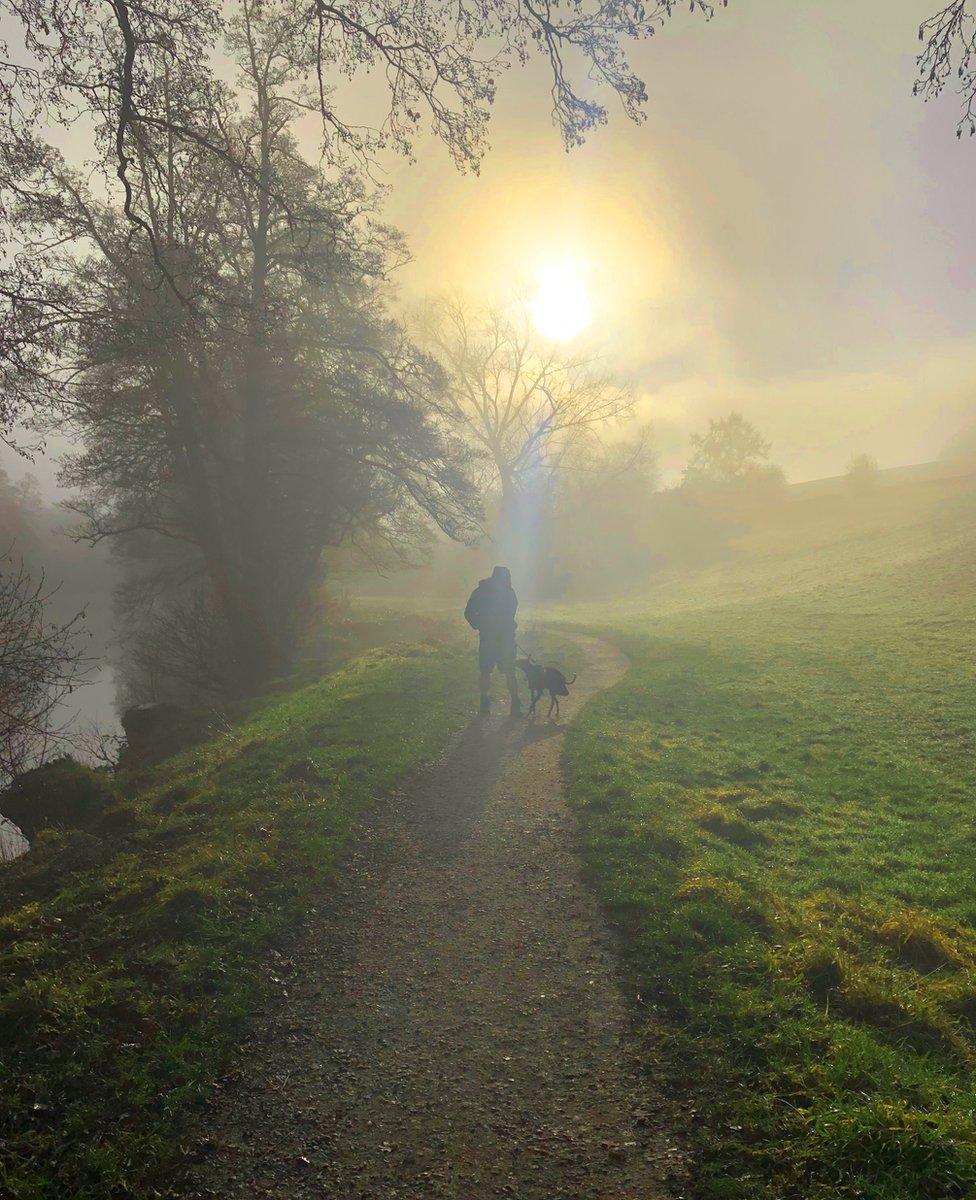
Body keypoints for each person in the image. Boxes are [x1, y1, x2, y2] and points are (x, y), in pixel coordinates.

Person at [464, 565, 521, 716]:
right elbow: (512, 611)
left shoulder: (481, 591)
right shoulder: (509, 592)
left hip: (489, 638)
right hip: (505, 639)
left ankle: (485, 702)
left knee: (486, 672)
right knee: (509, 672)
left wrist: (480, 625)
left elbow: (469, 612)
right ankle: (515, 703)